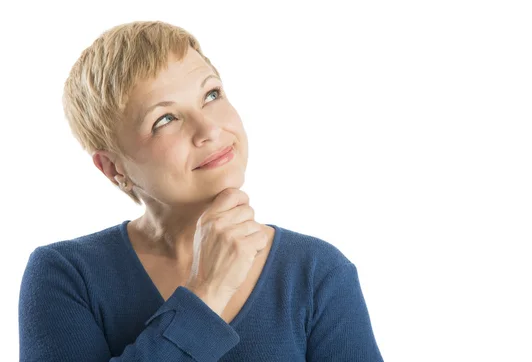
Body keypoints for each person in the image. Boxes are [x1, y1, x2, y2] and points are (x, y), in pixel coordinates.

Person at [18, 21, 384, 361]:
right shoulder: (65, 276)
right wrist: (206, 293)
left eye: (211, 94)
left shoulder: (318, 272)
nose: (209, 128)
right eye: (165, 119)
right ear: (114, 168)